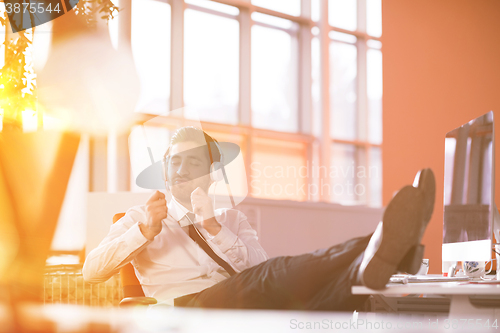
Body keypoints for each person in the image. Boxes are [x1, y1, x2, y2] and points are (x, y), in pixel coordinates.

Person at [83, 126, 436, 311]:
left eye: (193, 162)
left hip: (239, 302)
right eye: (175, 161)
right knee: (274, 276)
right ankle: (388, 243)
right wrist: (144, 232)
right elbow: (91, 271)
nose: (181, 169)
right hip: (184, 309)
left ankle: (380, 256)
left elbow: (255, 266)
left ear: (210, 174)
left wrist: (214, 228)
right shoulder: (140, 218)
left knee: (320, 302)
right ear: (164, 169)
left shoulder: (230, 218)